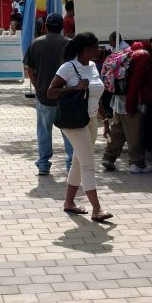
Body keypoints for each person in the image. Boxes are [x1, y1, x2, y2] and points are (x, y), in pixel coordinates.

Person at [47, 32, 112, 222]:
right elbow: (50, 92)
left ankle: (69, 203)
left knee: (78, 160)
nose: (99, 50)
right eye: (95, 47)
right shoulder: (68, 67)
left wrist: (105, 120)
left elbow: (95, 96)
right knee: (88, 164)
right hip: (73, 122)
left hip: (91, 120)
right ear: (85, 50)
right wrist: (74, 88)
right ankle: (97, 208)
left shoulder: (92, 67)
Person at [102, 33, 152, 173]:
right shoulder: (144, 56)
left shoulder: (133, 50)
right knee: (135, 133)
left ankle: (109, 158)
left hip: (120, 97)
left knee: (117, 131)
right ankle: (137, 163)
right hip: (132, 100)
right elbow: (135, 82)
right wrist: (131, 104)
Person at [23, 12, 73, 176]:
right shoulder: (69, 44)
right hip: (66, 95)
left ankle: (44, 164)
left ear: (46, 25)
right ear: (62, 26)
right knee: (68, 130)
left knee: (44, 131)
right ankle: (71, 163)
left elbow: (29, 68)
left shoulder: (37, 43)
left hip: (44, 94)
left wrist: (37, 85)